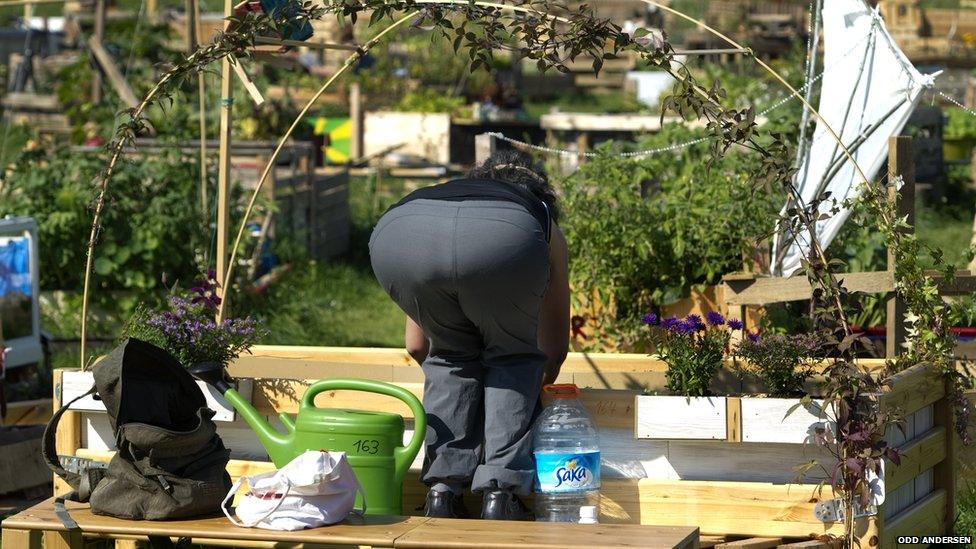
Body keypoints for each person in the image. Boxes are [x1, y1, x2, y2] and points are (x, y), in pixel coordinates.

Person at [369, 151, 570, 520]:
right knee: (514, 357)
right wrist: (520, 376)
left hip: (399, 232)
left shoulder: (445, 194)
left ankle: (442, 493)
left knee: (448, 355)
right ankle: (501, 495)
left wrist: (457, 365)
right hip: (502, 240)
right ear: (539, 190)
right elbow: (553, 349)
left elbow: (416, 345)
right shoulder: (536, 213)